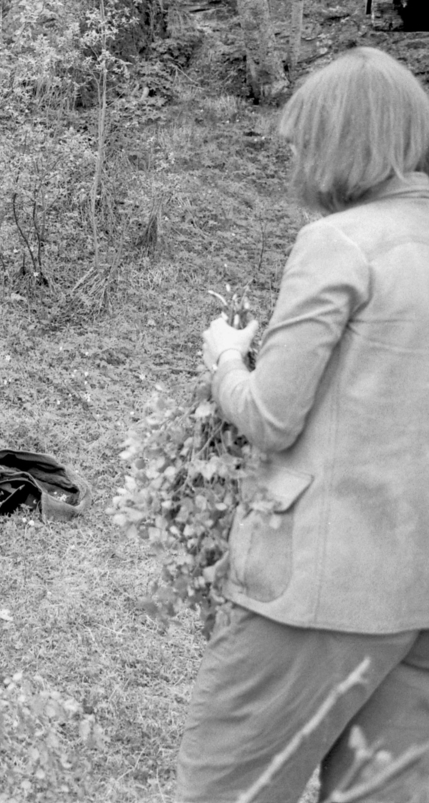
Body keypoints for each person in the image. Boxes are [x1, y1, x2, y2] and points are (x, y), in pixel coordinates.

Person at [181, 48, 429, 801]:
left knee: (227, 787)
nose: (292, 155)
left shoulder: (339, 243)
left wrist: (227, 357)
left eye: (300, 139)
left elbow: (270, 416)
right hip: (416, 597)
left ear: (338, 140)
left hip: (320, 589)